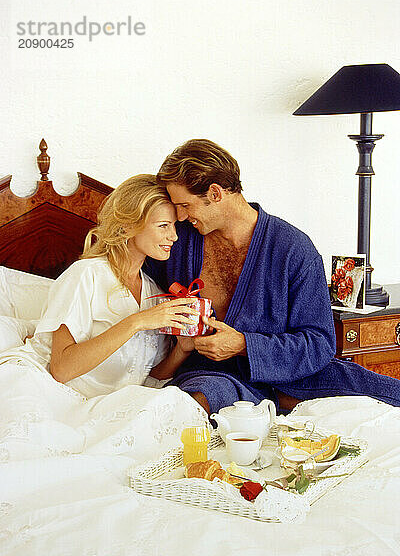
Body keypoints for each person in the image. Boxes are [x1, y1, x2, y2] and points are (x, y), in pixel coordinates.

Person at [143, 139, 400, 414]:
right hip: (213, 375)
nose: (179, 217)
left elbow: (319, 343)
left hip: (294, 377)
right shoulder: (177, 241)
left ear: (215, 193)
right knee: (195, 403)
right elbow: (127, 254)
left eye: (185, 205)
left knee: (387, 395)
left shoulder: (293, 249)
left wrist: (244, 345)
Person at [0, 175, 207, 460]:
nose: (174, 236)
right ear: (128, 225)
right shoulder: (85, 276)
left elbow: (147, 378)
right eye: (163, 226)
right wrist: (136, 322)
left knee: (173, 404)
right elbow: (61, 369)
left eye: (174, 226)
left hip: (103, 407)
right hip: (48, 392)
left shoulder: (153, 292)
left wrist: (182, 351)